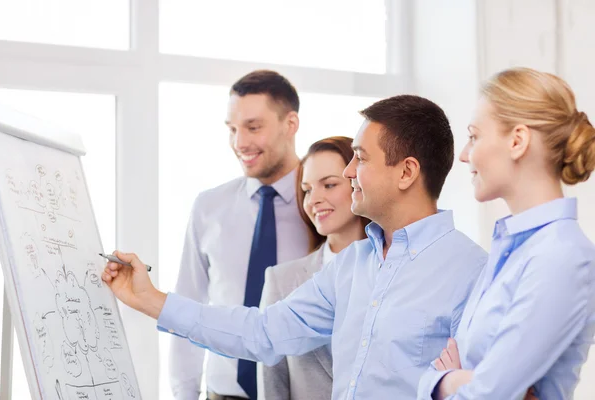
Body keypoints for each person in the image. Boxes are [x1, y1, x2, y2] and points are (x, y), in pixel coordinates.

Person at [102, 95, 488, 399]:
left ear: (406, 172)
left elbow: (484, 389)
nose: (350, 170)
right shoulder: (353, 264)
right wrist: (149, 299)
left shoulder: (472, 273)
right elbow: (263, 332)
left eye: (361, 158)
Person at [418, 67, 595, 400]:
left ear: (517, 141)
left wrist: (448, 380)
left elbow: (484, 394)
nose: (464, 155)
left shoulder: (562, 256)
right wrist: (449, 380)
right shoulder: (514, 248)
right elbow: (439, 376)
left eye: (474, 136)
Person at [169, 70, 310, 400]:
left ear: (290, 124)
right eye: (232, 129)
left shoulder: (325, 208)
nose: (239, 143)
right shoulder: (209, 207)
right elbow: (187, 308)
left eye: (253, 127)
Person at [258, 136, 369, 400]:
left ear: (360, 183)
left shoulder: (394, 269)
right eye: (307, 190)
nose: (314, 199)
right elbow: (272, 382)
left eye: (329, 185)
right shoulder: (282, 280)